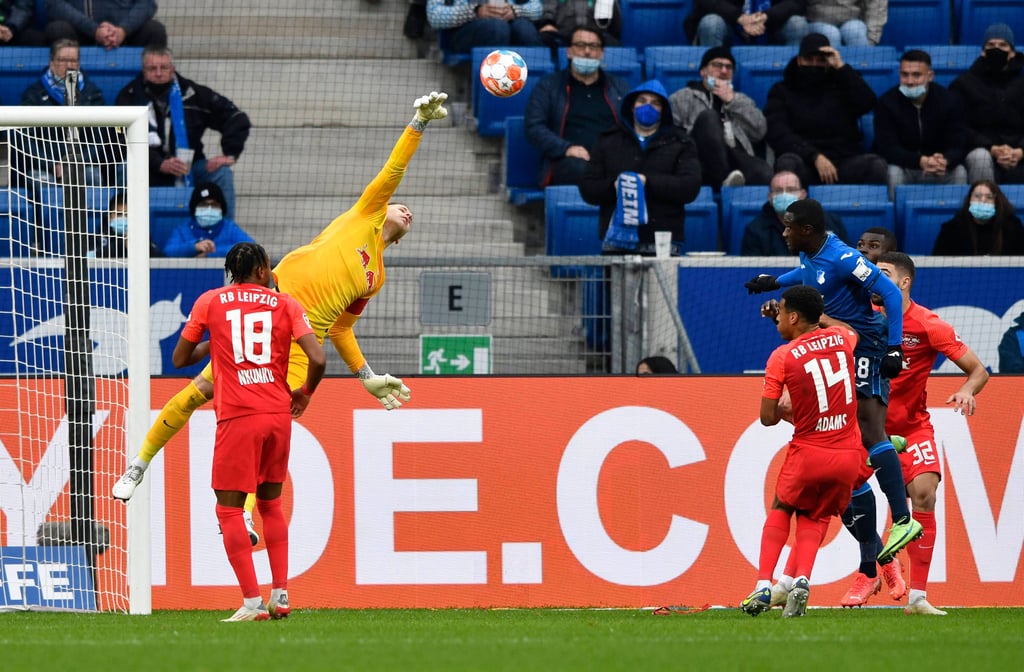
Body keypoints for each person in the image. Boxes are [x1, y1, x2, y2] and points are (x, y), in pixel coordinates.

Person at [111, 92, 449, 515]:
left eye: (411, 213)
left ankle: (244, 514)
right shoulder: (364, 215)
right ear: (384, 210)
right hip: (262, 317)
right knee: (197, 392)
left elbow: (341, 328)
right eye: (401, 205)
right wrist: (418, 124)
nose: (407, 210)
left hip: (299, 346)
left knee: (268, 425)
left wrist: (366, 376)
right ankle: (139, 465)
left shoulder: (375, 276)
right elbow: (393, 169)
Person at [745, 198, 922, 574]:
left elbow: (891, 294)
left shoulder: (843, 257)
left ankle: (903, 519)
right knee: (843, 430)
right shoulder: (810, 253)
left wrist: (894, 347)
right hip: (837, 344)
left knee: (868, 428)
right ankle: (872, 556)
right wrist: (774, 282)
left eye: (789, 226)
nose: (784, 232)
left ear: (807, 230)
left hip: (865, 342)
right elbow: (806, 273)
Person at [172, 242, 326, 622]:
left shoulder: (211, 302)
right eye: (269, 266)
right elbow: (319, 358)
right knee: (271, 504)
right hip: (277, 415)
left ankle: (253, 602)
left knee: (228, 509)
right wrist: (304, 393)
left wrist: (218, 341)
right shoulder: (286, 304)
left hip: (238, 416)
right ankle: (281, 595)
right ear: (261, 270)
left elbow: (180, 358)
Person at [871, 252, 990, 616]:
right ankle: (869, 566)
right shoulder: (862, 317)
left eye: (884, 273)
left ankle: (918, 598)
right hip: (865, 428)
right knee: (836, 498)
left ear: (905, 282)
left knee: (925, 494)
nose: (875, 278)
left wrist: (967, 390)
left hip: (911, 428)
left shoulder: (928, 325)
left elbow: (978, 371)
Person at [739, 285, 868, 618]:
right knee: (816, 515)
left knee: (782, 506)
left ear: (794, 317)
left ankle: (763, 583)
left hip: (809, 451)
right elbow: (849, 330)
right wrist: (819, 316)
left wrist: (785, 409)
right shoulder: (842, 339)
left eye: (782, 313)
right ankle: (800, 580)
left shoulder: (782, 356)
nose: (778, 318)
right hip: (848, 455)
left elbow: (767, 418)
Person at [115, 46, 251, 219]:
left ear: (173, 69)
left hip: (189, 167)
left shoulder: (193, 94)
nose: (158, 73)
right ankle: (127, 230)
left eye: (164, 68)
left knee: (222, 174)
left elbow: (236, 118)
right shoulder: (129, 97)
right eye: (152, 68)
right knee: (126, 168)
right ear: (143, 71)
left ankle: (225, 232)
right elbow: (121, 138)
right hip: (147, 167)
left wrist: (230, 154)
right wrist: (159, 163)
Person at [579, 79, 702, 256]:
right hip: (616, 243)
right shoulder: (608, 140)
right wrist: (614, 186)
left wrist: (647, 182)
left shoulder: (681, 142)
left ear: (664, 110)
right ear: (631, 106)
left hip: (663, 242)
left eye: (655, 103)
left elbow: (690, 187)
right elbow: (588, 188)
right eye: (642, 101)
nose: (648, 106)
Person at [765, 33, 887, 187]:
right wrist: (814, 156)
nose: (814, 65)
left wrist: (841, 68)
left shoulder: (843, 82)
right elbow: (778, 132)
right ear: (799, 60)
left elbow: (867, 103)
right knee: (787, 163)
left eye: (821, 60)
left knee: (875, 165)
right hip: (805, 162)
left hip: (844, 162)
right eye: (809, 60)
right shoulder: (781, 90)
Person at [525, 24, 629, 187]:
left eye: (593, 46)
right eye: (580, 45)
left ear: (601, 53)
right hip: (569, 161)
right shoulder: (549, 86)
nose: (587, 51)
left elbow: (631, 127)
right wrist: (566, 148)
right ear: (569, 51)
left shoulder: (619, 87)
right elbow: (534, 127)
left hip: (611, 161)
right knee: (583, 170)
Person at [17, 39, 118, 187]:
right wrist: (51, 164)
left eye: (73, 60)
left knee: (92, 175)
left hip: (83, 164)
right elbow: (26, 139)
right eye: (63, 60)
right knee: (40, 179)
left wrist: (78, 162)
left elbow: (100, 139)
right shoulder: (34, 94)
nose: (69, 65)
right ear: (52, 63)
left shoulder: (92, 93)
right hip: (45, 166)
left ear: (78, 64)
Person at [669, 46, 773, 190]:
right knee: (709, 117)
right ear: (703, 71)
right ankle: (724, 180)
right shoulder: (681, 97)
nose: (724, 71)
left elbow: (759, 131)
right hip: (699, 159)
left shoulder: (742, 100)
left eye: (729, 67)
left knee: (764, 172)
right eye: (717, 65)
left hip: (736, 158)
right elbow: (671, 135)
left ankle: (729, 181)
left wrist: (732, 101)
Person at [874, 49, 968, 200]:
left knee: (959, 172)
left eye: (916, 75)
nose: (910, 81)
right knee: (893, 172)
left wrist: (946, 160)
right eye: (904, 75)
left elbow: (959, 143)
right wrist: (920, 161)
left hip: (940, 168)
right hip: (906, 167)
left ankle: (957, 215)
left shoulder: (950, 101)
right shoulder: (887, 103)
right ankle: (897, 214)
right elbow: (887, 148)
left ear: (930, 76)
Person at [950, 23, 1024, 185]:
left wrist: (1020, 151)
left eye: (1002, 45)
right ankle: (984, 198)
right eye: (990, 45)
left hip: (1018, 152)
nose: (996, 49)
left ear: (1012, 52)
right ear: (983, 51)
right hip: (980, 149)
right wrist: (991, 148)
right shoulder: (963, 84)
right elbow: (958, 126)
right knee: (980, 158)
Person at [740, 169, 848, 255]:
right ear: (770, 197)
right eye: (778, 190)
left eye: (791, 190)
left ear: (803, 194)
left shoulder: (830, 222)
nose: (784, 194)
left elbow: (845, 257)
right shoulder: (754, 230)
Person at [161, 182, 256, 258]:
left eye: (214, 205)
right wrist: (194, 247)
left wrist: (211, 253)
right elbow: (168, 251)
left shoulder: (230, 228)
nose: (209, 209)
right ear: (194, 208)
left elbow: (251, 249)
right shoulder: (182, 230)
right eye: (204, 204)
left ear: (221, 208)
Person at [932, 180, 1024, 255]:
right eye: (977, 196)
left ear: (996, 202)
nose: (982, 201)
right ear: (969, 200)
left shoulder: (1013, 227)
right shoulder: (952, 229)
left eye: (989, 197)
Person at [426, 0, 545, 54]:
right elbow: (434, 15)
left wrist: (515, 10)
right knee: (497, 28)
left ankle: (539, 91)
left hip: (509, 24)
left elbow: (537, 8)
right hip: (463, 32)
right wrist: (475, 11)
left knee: (525, 30)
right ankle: (494, 89)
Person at [44, 0, 167, 49]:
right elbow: (54, 5)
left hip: (124, 35)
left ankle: (147, 91)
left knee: (155, 30)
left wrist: (123, 30)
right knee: (58, 29)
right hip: (81, 34)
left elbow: (147, 3)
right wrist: (94, 30)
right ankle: (69, 91)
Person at [684, 0, 807, 47]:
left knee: (798, 25)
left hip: (771, 28)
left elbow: (797, 2)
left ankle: (790, 84)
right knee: (711, 23)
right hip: (730, 28)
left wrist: (765, 16)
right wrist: (740, 17)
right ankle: (713, 82)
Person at [93, 191, 165, 258]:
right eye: (119, 214)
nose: (123, 218)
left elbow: (160, 260)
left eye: (127, 215)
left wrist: (140, 247)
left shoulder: (143, 236)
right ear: (109, 217)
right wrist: (123, 245)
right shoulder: (98, 238)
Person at [536, 0, 622, 49]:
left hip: (596, 36)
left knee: (614, 46)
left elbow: (614, 25)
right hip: (564, 36)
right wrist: (548, 23)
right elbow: (548, 11)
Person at [804, 0, 885, 47]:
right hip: (816, 21)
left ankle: (862, 69)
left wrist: (871, 39)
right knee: (831, 34)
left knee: (855, 32)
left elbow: (877, 7)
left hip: (853, 20)